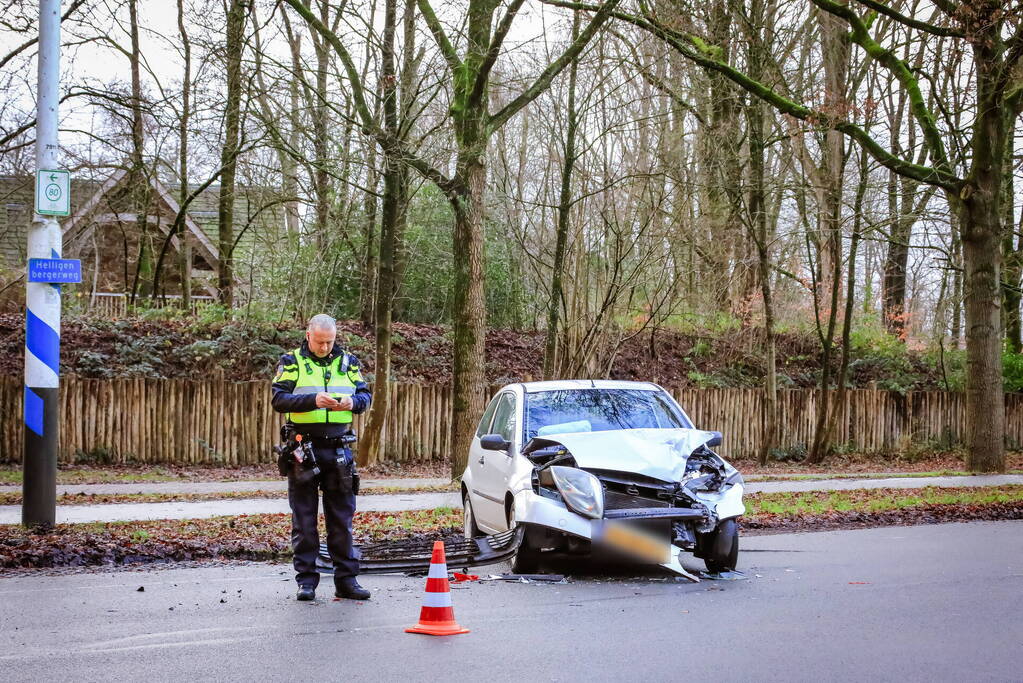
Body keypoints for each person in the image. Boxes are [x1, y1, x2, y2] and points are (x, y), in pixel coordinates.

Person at [271, 314, 372, 601]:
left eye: (329, 341)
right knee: (304, 519)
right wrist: (313, 400)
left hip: (339, 448)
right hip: (303, 447)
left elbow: (365, 396)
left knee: (341, 519)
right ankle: (306, 582)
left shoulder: (348, 362)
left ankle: (346, 581)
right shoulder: (292, 362)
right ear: (308, 335)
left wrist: (353, 402)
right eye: (319, 341)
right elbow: (279, 399)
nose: (325, 347)